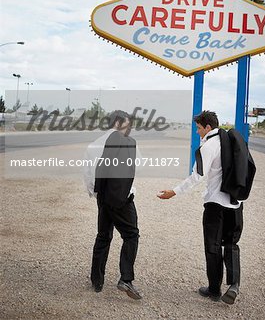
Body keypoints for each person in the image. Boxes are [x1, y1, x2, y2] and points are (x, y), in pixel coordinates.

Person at [158, 110, 243, 305]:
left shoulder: (209, 145)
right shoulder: (231, 140)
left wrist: (174, 191)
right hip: (236, 203)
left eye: (198, 128)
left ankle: (214, 290)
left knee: (213, 246)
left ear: (207, 127)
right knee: (231, 244)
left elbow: (198, 175)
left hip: (216, 203)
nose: (197, 132)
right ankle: (234, 285)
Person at [84, 110, 142, 300]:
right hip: (122, 197)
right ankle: (126, 278)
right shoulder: (127, 142)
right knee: (131, 234)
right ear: (119, 123)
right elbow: (136, 166)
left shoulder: (95, 144)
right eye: (127, 123)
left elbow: (88, 173)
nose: (130, 127)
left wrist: (96, 194)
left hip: (103, 196)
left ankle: (97, 281)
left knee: (103, 236)